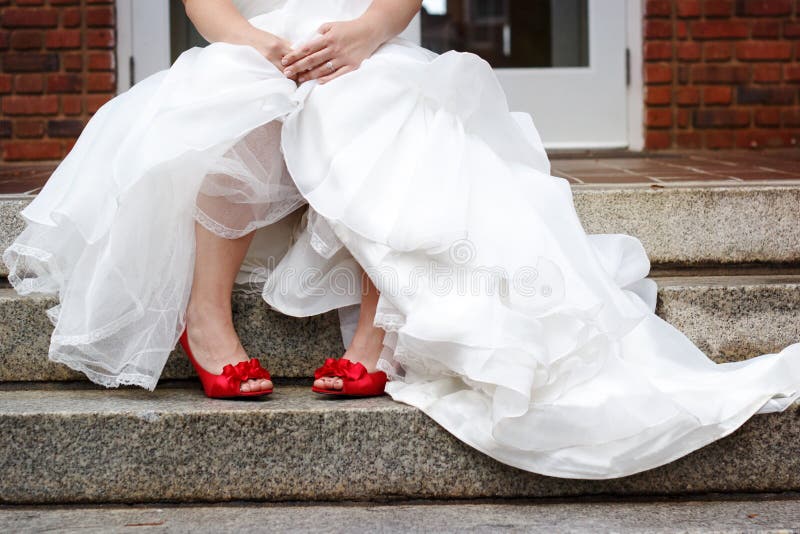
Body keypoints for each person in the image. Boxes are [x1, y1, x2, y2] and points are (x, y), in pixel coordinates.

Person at [4, 0, 799, 479]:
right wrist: (259, 47)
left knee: (378, 105)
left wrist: (361, 35)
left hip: (361, 37)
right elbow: (207, 6)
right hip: (257, 40)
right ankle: (205, 320)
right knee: (226, 110)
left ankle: (373, 330)